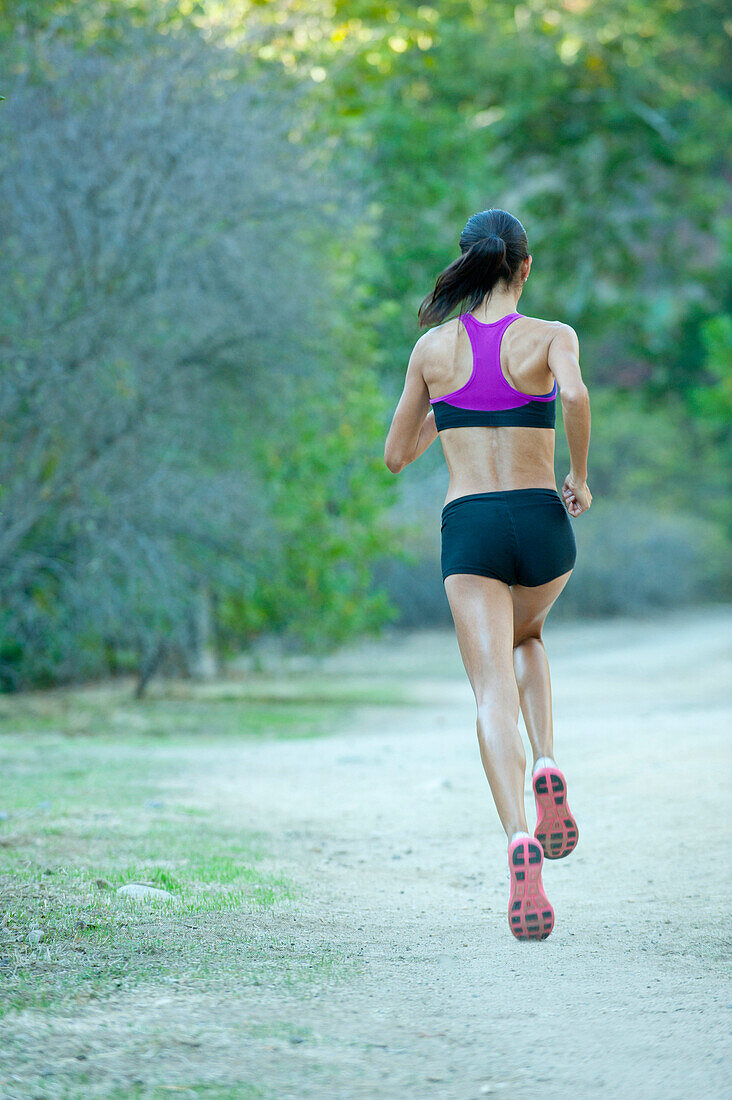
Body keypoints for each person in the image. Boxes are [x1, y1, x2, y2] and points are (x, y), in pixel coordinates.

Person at [384, 208, 592, 941]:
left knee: (487, 689)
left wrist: (452, 413)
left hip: (470, 525)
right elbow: (572, 395)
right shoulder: (551, 337)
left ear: (469, 264)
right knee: (528, 636)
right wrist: (580, 474)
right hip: (541, 520)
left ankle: (516, 838)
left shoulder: (432, 351)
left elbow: (395, 456)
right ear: (524, 266)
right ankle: (548, 760)